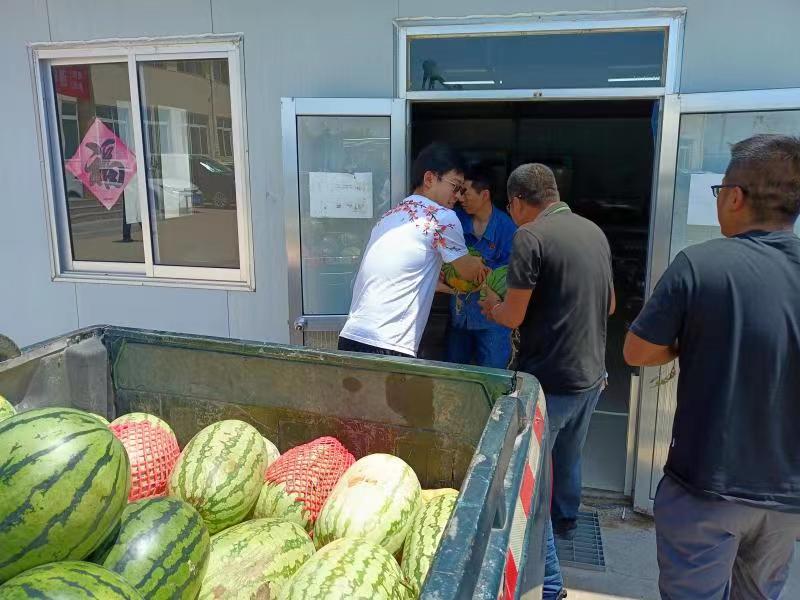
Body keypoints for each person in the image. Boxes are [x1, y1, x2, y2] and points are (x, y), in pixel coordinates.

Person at [624, 134, 800, 599]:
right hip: (787, 497)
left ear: (736, 197)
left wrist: (687, 342)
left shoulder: (700, 266)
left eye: (719, 192)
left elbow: (637, 352)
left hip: (707, 486)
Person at [480, 163, 614, 600]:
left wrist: (493, 308)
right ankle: (569, 520)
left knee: (530, 481)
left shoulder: (529, 237)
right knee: (569, 457)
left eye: (510, 205)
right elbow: (609, 305)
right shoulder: (593, 232)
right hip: (591, 376)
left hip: (549, 381)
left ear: (518, 202)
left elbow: (513, 316)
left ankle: (552, 585)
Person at [338, 143, 487, 358]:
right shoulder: (441, 217)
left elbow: (406, 278)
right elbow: (468, 273)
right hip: (389, 344)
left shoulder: (390, 216)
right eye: (456, 186)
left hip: (351, 337)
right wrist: (481, 266)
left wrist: (449, 286)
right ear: (429, 179)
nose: (459, 197)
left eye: (463, 190)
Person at [438, 162, 516, 369]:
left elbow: (512, 275)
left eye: (465, 192)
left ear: (485, 195)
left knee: (493, 378)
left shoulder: (507, 228)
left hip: (492, 320)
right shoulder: (454, 221)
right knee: (453, 375)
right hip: (459, 315)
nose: (460, 198)